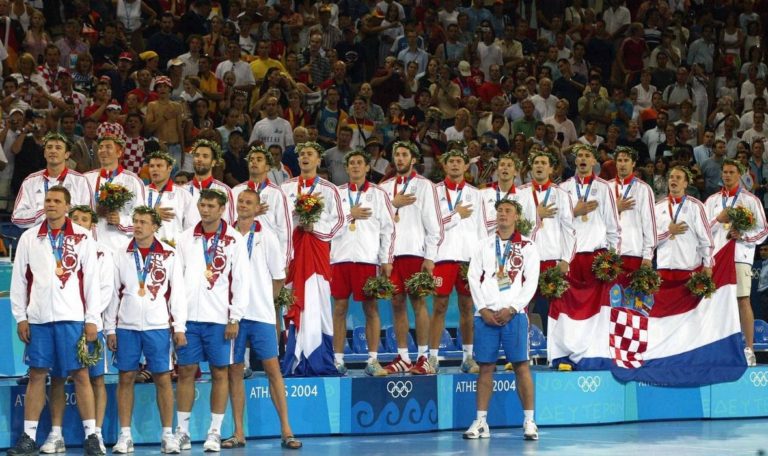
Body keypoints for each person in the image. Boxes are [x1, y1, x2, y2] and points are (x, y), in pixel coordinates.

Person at [8, 186, 103, 456]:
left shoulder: (83, 237)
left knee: (80, 374)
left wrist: (92, 319)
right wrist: (21, 317)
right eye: (48, 200)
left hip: (72, 317)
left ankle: (91, 436)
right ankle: (28, 437)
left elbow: (91, 282)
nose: (51, 204)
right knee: (37, 374)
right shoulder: (29, 238)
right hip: (39, 319)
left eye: (57, 201)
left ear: (67, 206)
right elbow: (19, 280)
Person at [105, 206, 186, 454]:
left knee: (162, 378)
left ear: (155, 227)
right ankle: (125, 436)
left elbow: (177, 293)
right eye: (136, 221)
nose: (138, 226)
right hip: (126, 326)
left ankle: (168, 435)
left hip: (158, 325)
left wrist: (179, 327)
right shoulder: (121, 253)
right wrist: (110, 328)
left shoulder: (169, 254)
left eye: (143, 222)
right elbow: (113, 293)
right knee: (126, 377)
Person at [174, 188, 249, 452]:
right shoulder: (185, 238)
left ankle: (215, 432)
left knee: (220, 372)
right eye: (202, 205)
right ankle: (182, 432)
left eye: (210, 206)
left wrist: (234, 317)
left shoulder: (234, 239)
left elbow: (241, 280)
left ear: (221, 209)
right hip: (189, 320)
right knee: (186, 372)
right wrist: (178, 322)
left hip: (219, 319)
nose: (205, 210)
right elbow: (177, 281)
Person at [227, 188, 301, 450]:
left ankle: (287, 430)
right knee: (235, 371)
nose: (244, 205)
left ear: (257, 207)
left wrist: (266, 303)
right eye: (241, 201)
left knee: (272, 369)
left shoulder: (267, 236)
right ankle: (238, 432)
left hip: (261, 315)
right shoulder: (226, 236)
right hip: (233, 317)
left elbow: (279, 276)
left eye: (249, 202)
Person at [39, 205, 113, 455]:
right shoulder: (57, 246)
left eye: (85, 219)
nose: (80, 222)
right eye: (76, 218)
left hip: (91, 322)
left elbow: (105, 289)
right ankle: (56, 434)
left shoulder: (103, 252)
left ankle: (96, 433)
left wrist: (90, 317)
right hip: (65, 320)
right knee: (58, 376)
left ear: (93, 225)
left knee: (95, 378)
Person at [463, 198, 539, 441]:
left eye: (508, 210)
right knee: (485, 367)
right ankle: (481, 421)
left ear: (517, 217)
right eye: (500, 211)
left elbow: (531, 282)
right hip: (485, 316)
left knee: (521, 366)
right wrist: (483, 309)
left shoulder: (528, 246)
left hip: (514, 316)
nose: (503, 214)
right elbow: (473, 277)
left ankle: (529, 421)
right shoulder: (483, 244)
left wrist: (513, 308)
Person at [280, 141, 344, 376]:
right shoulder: (285, 188)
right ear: (298, 160)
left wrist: (314, 227)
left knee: (318, 305)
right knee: (292, 302)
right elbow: (279, 221)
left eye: (310, 154)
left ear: (319, 160)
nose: (305, 157)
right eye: (302, 154)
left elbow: (340, 223)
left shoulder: (329, 189)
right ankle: (293, 359)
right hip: (293, 255)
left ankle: (320, 359)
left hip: (317, 255)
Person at [378, 141, 442, 375]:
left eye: (405, 154)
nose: (400, 158)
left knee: (418, 303)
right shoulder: (384, 188)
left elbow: (435, 225)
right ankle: (404, 357)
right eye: (397, 154)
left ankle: (424, 357)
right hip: (391, 255)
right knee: (396, 304)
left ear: (413, 159)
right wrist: (383, 258)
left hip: (415, 253)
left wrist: (430, 257)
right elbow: (378, 222)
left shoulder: (425, 186)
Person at [331, 149, 395, 376]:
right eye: (352, 163)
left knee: (371, 308)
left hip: (368, 260)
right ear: (346, 168)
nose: (356, 166)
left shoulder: (379, 194)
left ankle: (373, 360)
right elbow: (327, 226)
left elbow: (388, 229)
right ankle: (337, 360)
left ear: (367, 167)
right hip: (340, 259)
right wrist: (350, 215)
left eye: (360, 162)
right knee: (339, 308)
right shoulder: (336, 194)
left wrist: (386, 260)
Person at [429, 148, 488, 374]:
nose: (455, 164)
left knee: (467, 307)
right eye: (451, 161)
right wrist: (456, 215)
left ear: (466, 166)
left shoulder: (476, 194)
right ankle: (433, 357)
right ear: (444, 166)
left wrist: (482, 261)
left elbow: (482, 229)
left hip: (468, 259)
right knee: (439, 306)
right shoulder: (433, 192)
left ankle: (468, 357)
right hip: (442, 256)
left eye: (459, 161)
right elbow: (431, 225)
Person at [704, 159, 768, 366]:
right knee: (714, 303)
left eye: (732, 172)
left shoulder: (750, 200)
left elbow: (763, 230)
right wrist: (718, 219)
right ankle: (715, 349)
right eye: (725, 172)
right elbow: (701, 229)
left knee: (742, 300)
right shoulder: (712, 201)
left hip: (740, 256)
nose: (727, 175)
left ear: (739, 174)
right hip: (716, 258)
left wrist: (744, 236)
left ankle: (749, 350)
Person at [516, 149, 575, 333]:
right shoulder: (519, 193)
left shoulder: (562, 194)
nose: (539, 166)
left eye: (543, 163)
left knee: (553, 309)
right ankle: (522, 346)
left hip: (552, 260)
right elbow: (514, 227)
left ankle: (553, 347)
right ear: (531, 168)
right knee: (521, 305)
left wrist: (566, 259)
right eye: (536, 163)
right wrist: (536, 215)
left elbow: (570, 230)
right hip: (525, 260)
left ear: (551, 169)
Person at [559, 144, 620, 283]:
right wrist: (574, 212)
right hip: (570, 256)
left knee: (597, 297)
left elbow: (613, 225)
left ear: (594, 161)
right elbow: (557, 224)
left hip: (597, 255)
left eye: (587, 156)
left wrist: (613, 256)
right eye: (580, 156)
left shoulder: (604, 187)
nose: (583, 158)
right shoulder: (563, 188)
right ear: (575, 161)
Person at [12, 132, 91, 228]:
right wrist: (43, 212)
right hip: (38, 236)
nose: (53, 151)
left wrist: (61, 214)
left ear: (67, 154)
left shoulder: (80, 181)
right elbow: (16, 218)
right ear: (44, 153)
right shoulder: (30, 181)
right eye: (49, 147)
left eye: (58, 148)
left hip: (70, 235)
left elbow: (89, 216)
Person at [84, 133, 146, 252]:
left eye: (108, 147)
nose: (103, 150)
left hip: (118, 246)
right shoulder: (85, 178)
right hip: (90, 244)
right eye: (100, 147)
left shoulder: (133, 180)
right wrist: (93, 211)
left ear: (119, 153)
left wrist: (120, 220)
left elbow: (142, 216)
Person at [231, 146, 292, 265]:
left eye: (259, 159)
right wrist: (250, 214)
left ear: (268, 167)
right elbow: (229, 222)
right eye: (251, 159)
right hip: (239, 248)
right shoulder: (236, 191)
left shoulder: (277, 193)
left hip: (267, 252)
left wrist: (285, 260)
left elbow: (285, 229)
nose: (254, 162)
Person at [654, 166, 713, 281]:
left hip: (689, 270)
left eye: (678, 177)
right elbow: (650, 240)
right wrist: (668, 232)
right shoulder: (657, 207)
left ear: (685, 184)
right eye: (671, 177)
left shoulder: (696, 206)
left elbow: (706, 238)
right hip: (663, 268)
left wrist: (708, 263)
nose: (673, 180)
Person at [610, 146, 656, 279]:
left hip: (633, 253)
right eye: (619, 160)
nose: (622, 164)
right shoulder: (605, 187)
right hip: (608, 255)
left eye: (626, 160)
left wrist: (648, 256)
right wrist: (615, 208)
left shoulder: (644, 189)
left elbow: (649, 224)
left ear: (634, 163)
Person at [145, 150, 197, 245]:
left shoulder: (183, 194)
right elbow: (132, 220)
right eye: (151, 166)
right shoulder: (142, 192)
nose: (154, 169)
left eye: (159, 166)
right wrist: (152, 215)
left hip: (173, 247)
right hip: (146, 246)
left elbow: (191, 226)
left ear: (169, 168)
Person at [480, 153, 536, 234]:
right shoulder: (483, 194)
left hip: (514, 241)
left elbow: (531, 225)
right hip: (489, 240)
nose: (505, 168)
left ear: (516, 172)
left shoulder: (525, 196)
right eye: (502, 165)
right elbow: (477, 223)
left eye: (509, 165)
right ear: (497, 171)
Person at [186, 139, 235, 225]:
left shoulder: (224, 190)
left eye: (205, 156)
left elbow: (229, 224)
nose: (199, 159)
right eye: (197, 155)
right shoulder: (182, 190)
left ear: (213, 162)